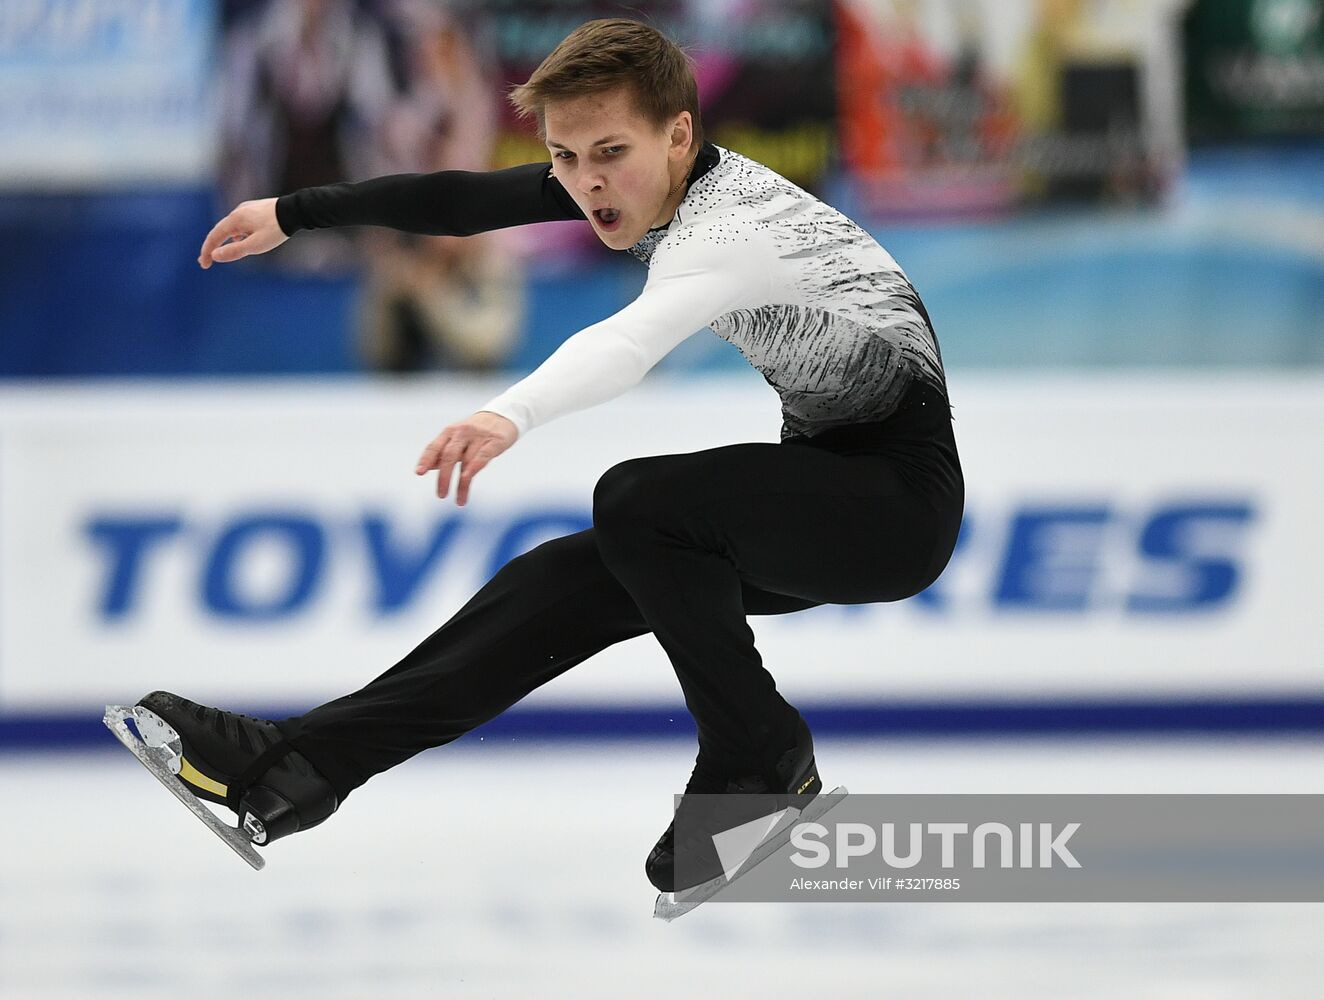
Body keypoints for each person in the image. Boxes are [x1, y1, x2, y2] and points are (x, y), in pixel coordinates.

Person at [139, 18, 964, 894]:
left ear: (680, 133)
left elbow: (626, 342)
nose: (586, 183)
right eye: (565, 158)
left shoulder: (731, 228)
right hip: (832, 486)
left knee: (641, 502)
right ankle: (297, 768)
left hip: (891, 504)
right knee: (556, 585)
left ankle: (760, 756)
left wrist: (509, 413)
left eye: (608, 152)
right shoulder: (642, 185)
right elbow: (458, 202)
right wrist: (292, 213)